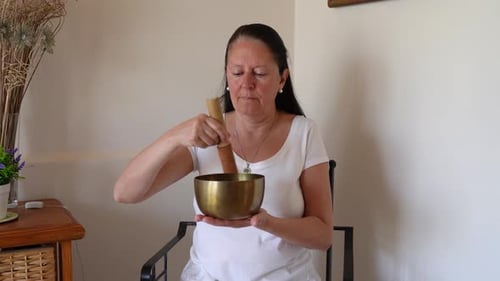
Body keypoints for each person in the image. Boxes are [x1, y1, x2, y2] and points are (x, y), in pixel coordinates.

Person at [114, 23, 333, 281]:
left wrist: (267, 223)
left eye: (260, 73)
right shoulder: (206, 134)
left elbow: (323, 236)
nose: (247, 83)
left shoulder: (303, 133)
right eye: (237, 72)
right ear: (227, 77)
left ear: (281, 79)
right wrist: (174, 136)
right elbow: (124, 193)